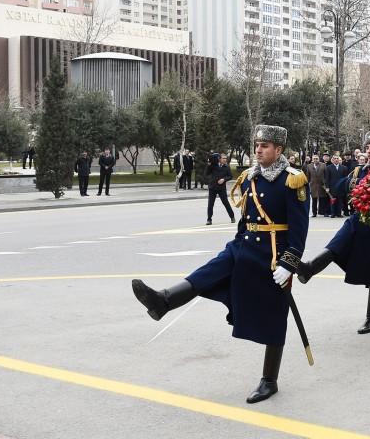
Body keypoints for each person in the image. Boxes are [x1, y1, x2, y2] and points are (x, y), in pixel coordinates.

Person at [131, 124, 309, 404]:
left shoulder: (293, 180)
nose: (258, 150)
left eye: (265, 146)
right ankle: (163, 301)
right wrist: (238, 241)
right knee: (209, 272)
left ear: (279, 150)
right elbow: (246, 219)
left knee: (275, 315)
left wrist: (289, 262)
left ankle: (269, 380)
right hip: (244, 246)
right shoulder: (250, 176)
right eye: (257, 145)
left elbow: (299, 228)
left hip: (273, 256)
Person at [297, 132, 370, 335]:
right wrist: (351, 183)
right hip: (358, 218)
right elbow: (338, 188)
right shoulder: (360, 170)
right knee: (337, 244)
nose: (369, 151)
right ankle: (309, 269)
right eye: (367, 147)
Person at [206, 153, 235, 225]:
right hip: (212, 187)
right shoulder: (213, 165)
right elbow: (207, 173)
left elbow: (230, 176)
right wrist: (209, 165)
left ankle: (232, 217)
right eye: (223, 158)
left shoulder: (226, 167)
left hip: (221, 188)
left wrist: (224, 179)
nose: (225, 160)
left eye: (226, 158)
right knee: (210, 204)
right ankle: (209, 219)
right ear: (219, 159)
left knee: (226, 203)